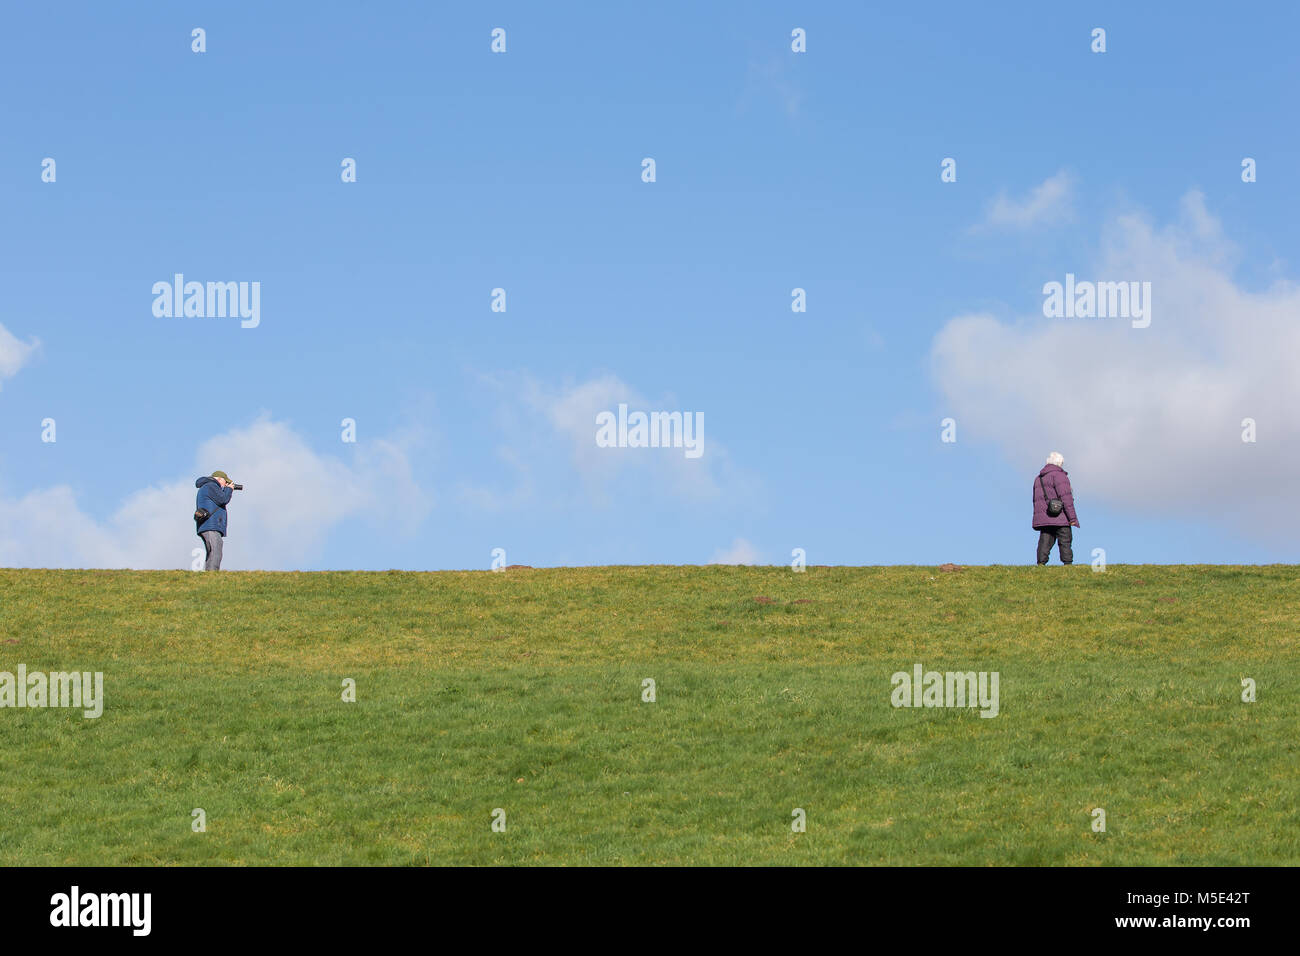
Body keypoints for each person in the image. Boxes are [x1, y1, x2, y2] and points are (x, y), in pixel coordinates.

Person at [1032, 452, 1079, 565]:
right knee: (1065, 540)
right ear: (1060, 463)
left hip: (1045, 516)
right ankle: (1067, 564)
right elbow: (1066, 498)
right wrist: (1072, 518)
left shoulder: (1038, 478)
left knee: (1045, 540)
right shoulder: (1060, 476)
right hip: (1060, 516)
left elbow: (1036, 500)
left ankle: (1041, 564)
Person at [195, 470, 236, 570]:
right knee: (216, 550)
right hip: (211, 525)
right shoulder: (211, 486)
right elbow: (223, 499)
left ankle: (210, 573)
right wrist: (229, 489)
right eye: (225, 482)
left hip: (208, 525)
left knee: (212, 551)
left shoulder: (208, 486)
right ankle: (212, 573)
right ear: (220, 479)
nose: (225, 484)